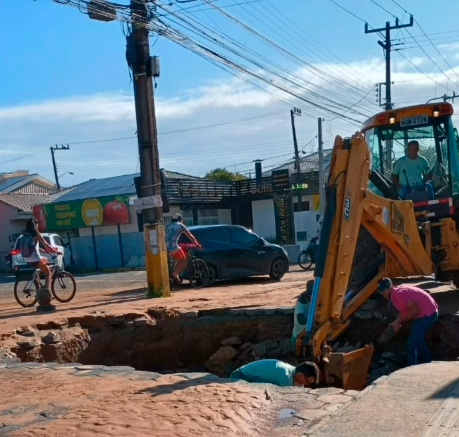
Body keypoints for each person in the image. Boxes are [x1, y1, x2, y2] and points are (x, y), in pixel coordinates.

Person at [378, 277, 439, 366]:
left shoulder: (399, 294)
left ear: (390, 287)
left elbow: (415, 310)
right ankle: (427, 362)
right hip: (425, 313)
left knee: (411, 343)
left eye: (384, 290)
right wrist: (396, 322)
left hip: (428, 314)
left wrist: (398, 321)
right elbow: (404, 310)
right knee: (418, 339)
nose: (382, 293)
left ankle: (411, 368)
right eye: (380, 291)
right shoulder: (394, 294)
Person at [22, 218, 59, 290]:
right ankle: (47, 292)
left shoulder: (25, 235)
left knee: (45, 259)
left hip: (27, 258)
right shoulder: (36, 234)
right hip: (35, 258)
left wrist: (44, 251)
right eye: (37, 224)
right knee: (48, 273)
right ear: (35, 225)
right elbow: (46, 244)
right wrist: (55, 251)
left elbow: (33, 247)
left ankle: (37, 280)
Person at [230, 359, 320, 387]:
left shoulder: (293, 371)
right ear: (300, 375)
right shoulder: (286, 376)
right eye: (308, 382)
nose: (306, 385)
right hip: (240, 376)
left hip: (247, 375)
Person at [166, 213, 201, 283]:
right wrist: (196, 244)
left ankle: (174, 272)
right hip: (172, 246)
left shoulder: (167, 225)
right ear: (180, 220)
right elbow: (190, 236)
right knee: (183, 258)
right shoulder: (181, 225)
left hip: (164, 247)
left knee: (178, 257)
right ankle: (175, 274)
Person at [292, 280, 314, 358]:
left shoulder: (312, 302)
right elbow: (301, 320)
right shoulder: (301, 304)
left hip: (307, 335)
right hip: (299, 337)